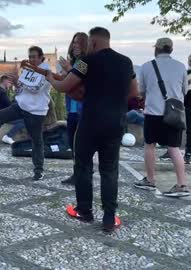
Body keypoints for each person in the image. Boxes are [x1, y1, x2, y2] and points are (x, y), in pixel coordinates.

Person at [47, 27, 138, 232]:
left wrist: (50, 78)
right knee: (109, 169)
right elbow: (134, 92)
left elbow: (64, 87)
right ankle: (109, 218)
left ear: (94, 43)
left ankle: (84, 211)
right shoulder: (126, 62)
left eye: (88, 42)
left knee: (83, 166)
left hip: (90, 122)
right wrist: (114, 104)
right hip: (115, 123)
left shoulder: (86, 62)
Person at [0, 46, 51, 181]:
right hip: (21, 105)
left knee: (36, 140)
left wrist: (18, 83)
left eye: (34, 56)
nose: (32, 59)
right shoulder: (27, 70)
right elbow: (20, 91)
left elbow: (35, 88)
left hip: (36, 112)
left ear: (41, 57)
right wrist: (17, 86)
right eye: (30, 56)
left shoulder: (46, 71)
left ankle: (38, 170)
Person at [134, 37, 190, 197]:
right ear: (171, 50)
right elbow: (184, 90)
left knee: (149, 145)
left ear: (156, 49)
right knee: (174, 148)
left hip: (153, 113)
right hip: (173, 114)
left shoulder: (146, 67)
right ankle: (182, 184)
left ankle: (150, 180)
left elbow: (142, 91)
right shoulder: (181, 67)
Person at [160, 54, 191, 164]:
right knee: (175, 128)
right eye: (190, 60)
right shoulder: (184, 72)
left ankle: (188, 154)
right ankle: (172, 150)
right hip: (181, 105)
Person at [59, 32, 87, 186]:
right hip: (72, 110)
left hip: (83, 111)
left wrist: (69, 69)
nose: (75, 45)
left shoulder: (85, 63)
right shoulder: (74, 62)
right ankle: (78, 173)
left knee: (81, 145)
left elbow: (82, 83)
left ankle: (82, 173)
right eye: (74, 42)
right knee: (73, 144)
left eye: (79, 42)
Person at [0, 75, 25, 145]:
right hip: (3, 117)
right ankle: (8, 136)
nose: (10, 84)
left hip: (1, 115)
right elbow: (9, 106)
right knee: (24, 121)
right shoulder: (1, 92)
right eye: (9, 82)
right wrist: (17, 99)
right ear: (4, 81)